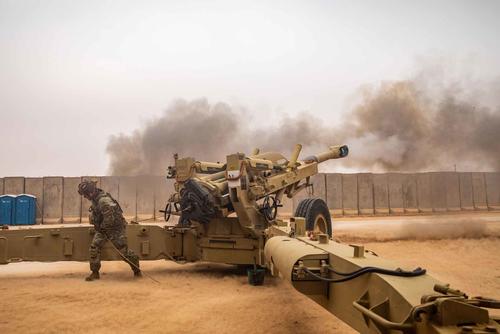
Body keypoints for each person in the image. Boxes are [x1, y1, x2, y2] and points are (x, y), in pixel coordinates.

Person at [78, 180, 141, 281]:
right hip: (103, 229)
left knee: (124, 252)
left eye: (85, 195)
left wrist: (103, 227)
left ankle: (137, 271)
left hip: (115, 229)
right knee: (94, 248)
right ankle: (95, 273)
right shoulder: (96, 199)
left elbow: (110, 218)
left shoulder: (103, 201)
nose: (85, 197)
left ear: (90, 192)